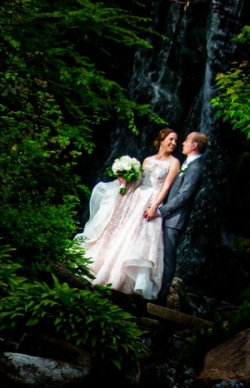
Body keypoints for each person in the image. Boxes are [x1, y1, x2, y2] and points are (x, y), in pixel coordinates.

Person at [77, 128, 182, 298]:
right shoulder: (147, 160)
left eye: (176, 141)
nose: (173, 143)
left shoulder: (174, 162)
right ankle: (106, 272)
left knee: (139, 238)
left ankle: (124, 280)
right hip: (136, 199)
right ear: (161, 140)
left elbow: (166, 187)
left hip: (152, 200)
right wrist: (125, 180)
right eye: (171, 139)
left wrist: (155, 206)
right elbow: (139, 181)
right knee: (123, 233)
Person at [154, 131, 207, 303]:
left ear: (194, 146)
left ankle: (161, 297)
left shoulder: (196, 168)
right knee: (162, 255)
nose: (182, 143)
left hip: (174, 221)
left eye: (186, 141)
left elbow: (184, 196)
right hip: (170, 218)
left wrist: (162, 210)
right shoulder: (188, 164)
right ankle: (156, 290)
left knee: (168, 258)